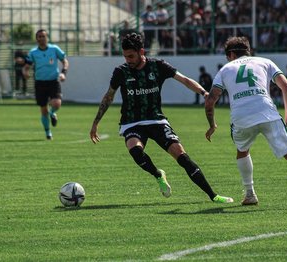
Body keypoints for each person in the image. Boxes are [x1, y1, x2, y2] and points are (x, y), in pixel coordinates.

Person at [89, 33, 233, 203]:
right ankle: (158, 174)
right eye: (125, 56)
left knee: (182, 157)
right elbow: (109, 97)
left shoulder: (158, 66)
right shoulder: (121, 72)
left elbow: (185, 80)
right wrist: (96, 123)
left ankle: (213, 195)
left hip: (156, 120)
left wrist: (204, 93)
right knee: (136, 151)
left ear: (141, 51)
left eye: (131, 56)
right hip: (131, 122)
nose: (128, 60)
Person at [204, 36, 287, 209]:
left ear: (230, 54)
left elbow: (211, 100)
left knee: (242, 151)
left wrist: (211, 124)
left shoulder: (225, 69)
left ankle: (250, 194)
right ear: (248, 51)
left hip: (241, 117)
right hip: (267, 113)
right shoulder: (265, 62)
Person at [23, 29, 69, 140]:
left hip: (53, 81)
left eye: (43, 36)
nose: (41, 38)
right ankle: (48, 133)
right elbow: (26, 67)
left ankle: (53, 113)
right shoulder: (33, 52)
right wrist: (25, 72)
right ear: (36, 39)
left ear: (47, 37)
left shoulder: (54, 49)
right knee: (43, 110)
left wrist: (63, 73)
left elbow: (65, 61)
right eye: (39, 36)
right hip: (40, 83)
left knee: (57, 103)